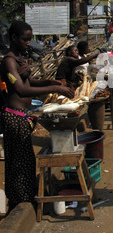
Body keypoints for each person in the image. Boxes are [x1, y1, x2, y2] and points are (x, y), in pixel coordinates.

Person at [0, 21, 74, 212]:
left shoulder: (17, 59)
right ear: (14, 38)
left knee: (26, 162)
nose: (28, 43)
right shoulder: (8, 62)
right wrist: (56, 88)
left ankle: (26, 198)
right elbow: (22, 90)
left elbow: (29, 80)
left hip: (23, 116)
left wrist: (48, 81)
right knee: (18, 164)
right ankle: (19, 202)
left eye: (30, 39)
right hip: (14, 118)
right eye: (25, 39)